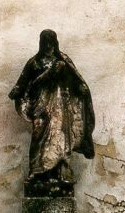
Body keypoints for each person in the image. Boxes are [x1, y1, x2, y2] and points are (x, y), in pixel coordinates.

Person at [8, 29, 95, 195]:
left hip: (60, 107)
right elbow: (23, 81)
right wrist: (17, 91)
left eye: (51, 42)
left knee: (60, 137)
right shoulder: (34, 62)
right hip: (40, 106)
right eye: (45, 42)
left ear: (55, 43)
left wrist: (80, 88)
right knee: (38, 136)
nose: (48, 46)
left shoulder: (62, 61)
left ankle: (60, 174)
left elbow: (75, 80)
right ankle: (37, 172)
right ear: (41, 43)